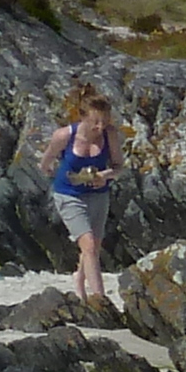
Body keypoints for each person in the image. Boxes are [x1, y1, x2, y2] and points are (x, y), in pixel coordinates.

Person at [43, 88, 122, 307]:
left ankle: (79, 281)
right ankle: (100, 299)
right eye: (95, 122)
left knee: (94, 246)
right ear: (83, 117)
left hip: (98, 195)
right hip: (69, 195)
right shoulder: (64, 136)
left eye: (105, 121)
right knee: (87, 245)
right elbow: (46, 160)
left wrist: (105, 175)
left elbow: (118, 166)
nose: (100, 127)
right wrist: (48, 171)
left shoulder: (110, 134)